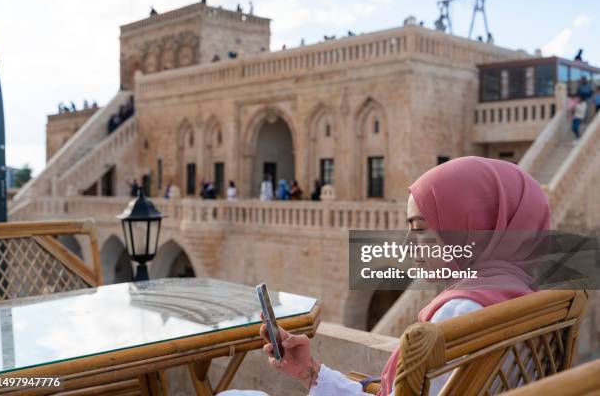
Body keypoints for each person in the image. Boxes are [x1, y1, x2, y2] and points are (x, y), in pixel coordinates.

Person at [220, 156, 550, 396]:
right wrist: (310, 372)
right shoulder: (525, 296)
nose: (408, 242)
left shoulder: (462, 313)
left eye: (420, 228)